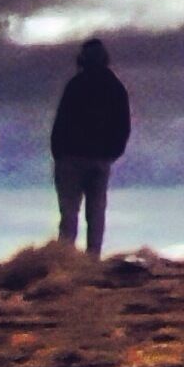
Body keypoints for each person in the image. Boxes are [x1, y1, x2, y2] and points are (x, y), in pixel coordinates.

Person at [51, 37, 131, 259]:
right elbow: (124, 125)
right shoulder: (115, 87)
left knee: (69, 214)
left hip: (71, 158)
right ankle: (91, 262)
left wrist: (59, 154)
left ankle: (65, 262)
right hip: (99, 159)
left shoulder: (76, 84)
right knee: (95, 214)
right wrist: (112, 153)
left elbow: (61, 121)